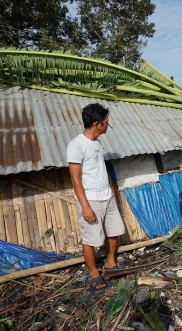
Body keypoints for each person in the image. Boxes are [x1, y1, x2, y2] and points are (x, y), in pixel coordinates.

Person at [67, 103, 125, 289]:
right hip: (90, 198)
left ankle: (110, 263)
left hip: (106, 195)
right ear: (96, 123)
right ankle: (93, 273)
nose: (108, 125)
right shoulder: (76, 145)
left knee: (114, 230)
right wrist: (85, 206)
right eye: (106, 122)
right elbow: (75, 179)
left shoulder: (98, 142)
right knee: (91, 238)